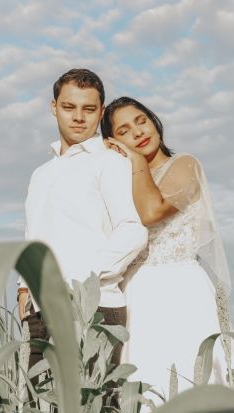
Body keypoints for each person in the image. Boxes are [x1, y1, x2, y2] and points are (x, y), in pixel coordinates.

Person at [100, 96, 234, 400]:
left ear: (154, 121)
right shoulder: (118, 182)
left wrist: (136, 161)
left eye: (141, 121)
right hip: (135, 293)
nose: (138, 132)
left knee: (193, 378)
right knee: (145, 383)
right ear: (113, 142)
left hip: (181, 289)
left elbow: (152, 211)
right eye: (123, 131)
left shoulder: (185, 165)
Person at [19, 70, 147, 372]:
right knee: (37, 401)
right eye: (69, 107)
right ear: (54, 108)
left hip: (94, 308)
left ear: (100, 113)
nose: (78, 117)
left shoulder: (111, 162)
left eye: (89, 109)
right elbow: (34, 234)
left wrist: (77, 282)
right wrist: (23, 289)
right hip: (39, 312)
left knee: (92, 401)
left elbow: (133, 230)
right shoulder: (40, 174)